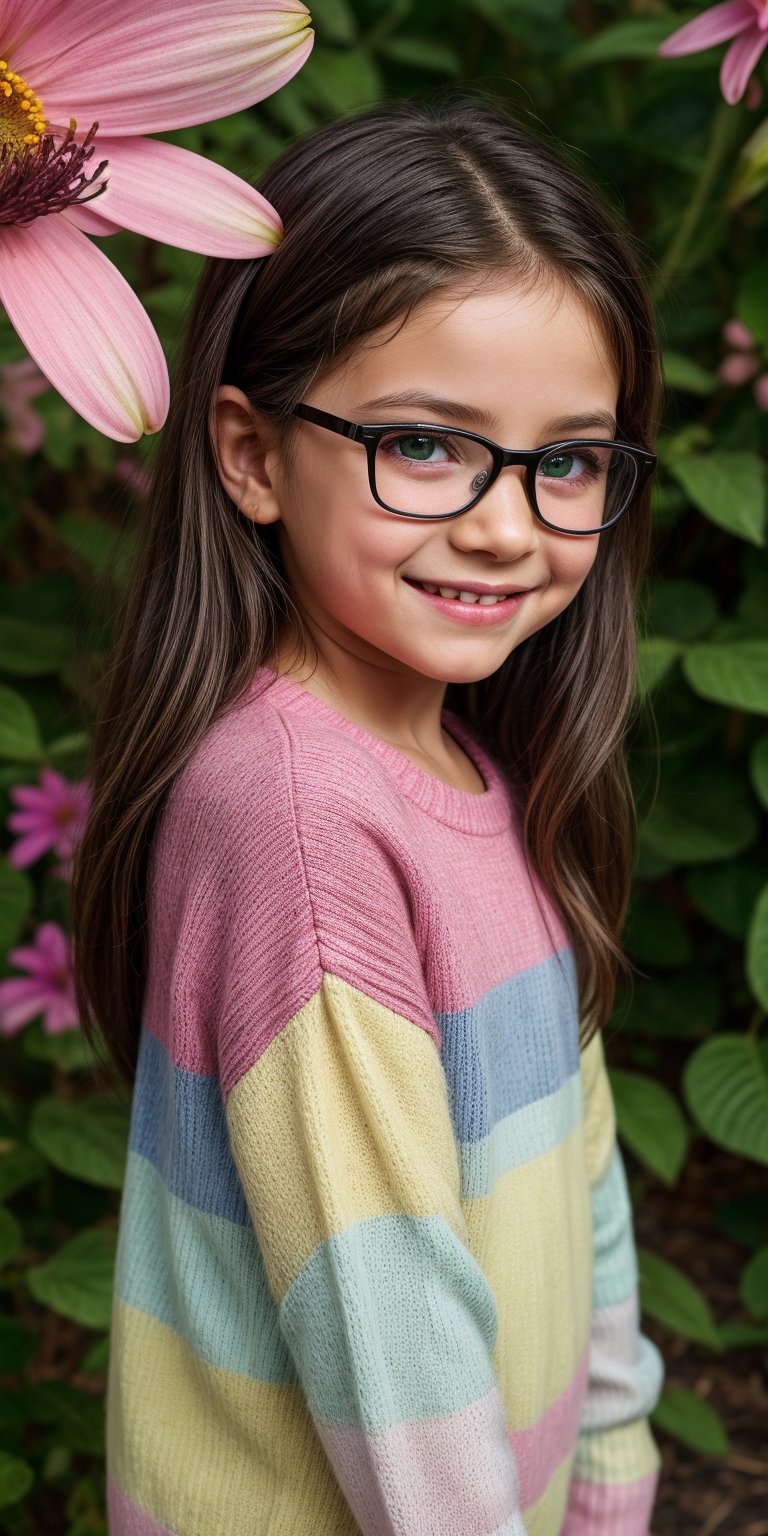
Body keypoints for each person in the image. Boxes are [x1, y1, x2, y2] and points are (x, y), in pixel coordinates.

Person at [71, 94, 666, 1536]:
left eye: (569, 460)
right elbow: (387, 1334)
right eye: (426, 444)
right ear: (253, 455)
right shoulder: (300, 824)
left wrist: (608, 1479)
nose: (508, 526)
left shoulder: (481, 765)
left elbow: (581, 1186)